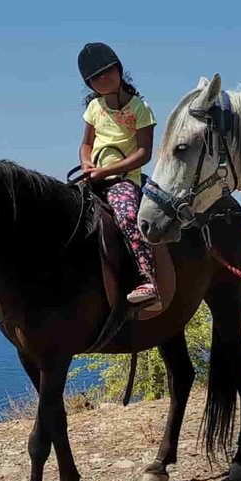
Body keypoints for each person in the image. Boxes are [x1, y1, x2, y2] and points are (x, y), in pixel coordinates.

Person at [76, 42, 159, 305]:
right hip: (94, 177)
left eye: (107, 71)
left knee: (127, 215)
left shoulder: (139, 108)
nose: (103, 78)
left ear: (119, 70)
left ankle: (148, 278)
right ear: (89, 84)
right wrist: (87, 164)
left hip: (124, 180)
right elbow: (86, 144)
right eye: (95, 76)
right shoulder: (93, 108)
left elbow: (144, 152)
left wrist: (107, 172)